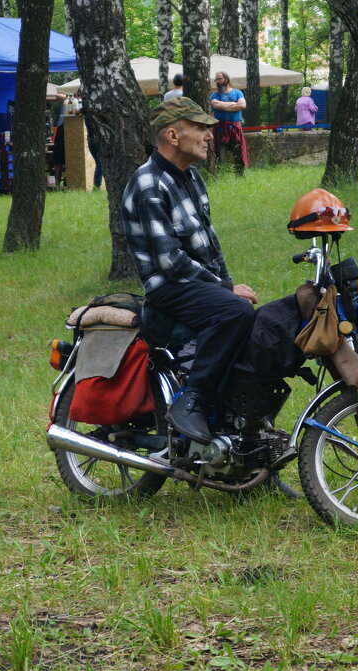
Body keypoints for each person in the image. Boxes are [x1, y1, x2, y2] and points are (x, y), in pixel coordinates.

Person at [120, 97, 258, 443]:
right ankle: (190, 401)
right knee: (234, 312)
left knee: (252, 330)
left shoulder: (191, 177)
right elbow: (170, 262)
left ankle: (241, 441)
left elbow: (208, 245)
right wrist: (226, 292)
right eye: (199, 128)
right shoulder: (149, 184)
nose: (209, 136)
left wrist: (225, 282)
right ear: (173, 135)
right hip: (168, 288)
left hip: (190, 284)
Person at [208, 71, 248, 175]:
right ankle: (221, 175)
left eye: (219, 79)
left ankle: (240, 175)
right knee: (220, 155)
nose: (217, 81)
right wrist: (234, 104)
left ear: (226, 79)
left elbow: (242, 105)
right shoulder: (214, 95)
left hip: (235, 128)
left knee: (238, 153)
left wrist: (224, 106)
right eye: (216, 80)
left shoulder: (237, 92)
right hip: (220, 129)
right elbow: (216, 106)